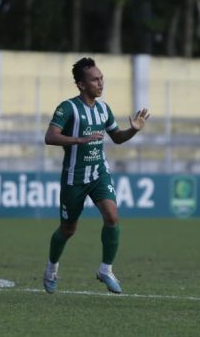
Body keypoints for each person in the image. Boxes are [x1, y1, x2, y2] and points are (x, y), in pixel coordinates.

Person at [42, 57, 150, 295]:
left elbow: (118, 138)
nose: (101, 83)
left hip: (98, 173)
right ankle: (51, 268)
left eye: (102, 78)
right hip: (74, 178)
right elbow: (50, 137)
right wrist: (78, 140)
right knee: (68, 229)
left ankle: (105, 269)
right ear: (81, 85)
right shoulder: (68, 108)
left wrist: (133, 129)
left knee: (112, 216)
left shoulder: (103, 109)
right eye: (95, 80)